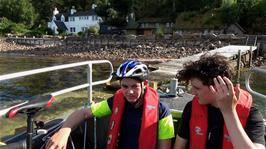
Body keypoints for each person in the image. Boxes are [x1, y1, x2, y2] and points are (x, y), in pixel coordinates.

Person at [46, 60, 175, 149]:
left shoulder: (161, 111)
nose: (129, 92)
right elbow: (84, 113)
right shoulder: (116, 102)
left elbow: (165, 146)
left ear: (145, 84)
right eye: (124, 86)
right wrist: (63, 131)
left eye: (134, 86)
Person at [174, 54, 265, 149]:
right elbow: (179, 145)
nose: (192, 92)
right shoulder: (191, 107)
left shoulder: (251, 115)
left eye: (197, 88)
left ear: (217, 87)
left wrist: (229, 111)